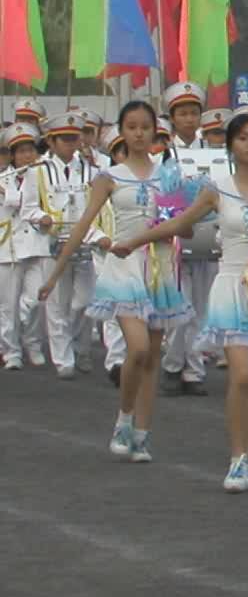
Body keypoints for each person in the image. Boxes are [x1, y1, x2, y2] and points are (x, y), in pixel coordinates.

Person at [119, 112, 248, 491]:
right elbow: (180, 223)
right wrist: (134, 241)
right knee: (242, 373)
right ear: (230, 146)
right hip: (232, 286)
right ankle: (235, 458)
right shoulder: (218, 189)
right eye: (243, 137)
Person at [41, 100, 189, 462]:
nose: (139, 134)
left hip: (159, 268)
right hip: (123, 267)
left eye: (145, 127)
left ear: (155, 131)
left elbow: (184, 226)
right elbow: (83, 225)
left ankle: (142, 434)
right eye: (132, 127)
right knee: (136, 348)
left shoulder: (168, 176)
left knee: (151, 356)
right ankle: (124, 418)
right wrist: (54, 274)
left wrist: (171, 225)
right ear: (121, 132)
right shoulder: (109, 177)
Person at [159, 83, 217, 397]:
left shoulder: (214, 153)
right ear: (172, 118)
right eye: (182, 113)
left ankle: (194, 370)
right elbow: (160, 196)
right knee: (179, 307)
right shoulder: (164, 155)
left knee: (201, 307)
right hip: (176, 236)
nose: (189, 119)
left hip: (208, 234)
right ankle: (172, 365)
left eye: (194, 113)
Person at [31, 110, 98, 376]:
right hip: (53, 242)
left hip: (85, 241)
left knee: (85, 301)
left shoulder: (92, 170)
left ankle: (80, 347)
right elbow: (28, 208)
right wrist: (41, 217)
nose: (71, 144)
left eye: (74, 138)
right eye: (65, 139)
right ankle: (63, 359)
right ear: (51, 141)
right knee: (57, 303)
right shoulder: (39, 171)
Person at [1, 124, 51, 370]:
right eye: (21, 151)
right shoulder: (4, 178)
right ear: (12, 155)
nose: (27, 156)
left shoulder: (46, 176)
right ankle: (11, 352)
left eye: (30, 150)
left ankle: (32, 342)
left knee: (36, 299)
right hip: (7, 247)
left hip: (36, 244)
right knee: (8, 305)